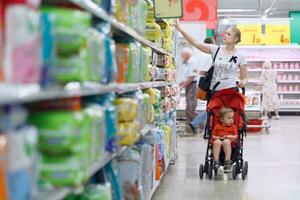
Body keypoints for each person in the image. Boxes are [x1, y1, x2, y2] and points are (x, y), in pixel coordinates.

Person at [188, 37, 215, 134]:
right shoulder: (211, 55)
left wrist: (201, 71)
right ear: (211, 44)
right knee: (212, 106)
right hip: (210, 82)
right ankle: (203, 128)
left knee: (209, 106)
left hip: (201, 83)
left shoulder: (199, 55)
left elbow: (195, 69)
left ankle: (204, 128)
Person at [211, 107, 238, 172]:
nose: (231, 120)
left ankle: (227, 161)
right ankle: (216, 161)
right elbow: (213, 136)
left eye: (232, 118)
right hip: (220, 141)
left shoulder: (233, 127)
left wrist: (229, 136)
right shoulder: (217, 126)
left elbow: (236, 136)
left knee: (226, 141)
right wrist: (218, 138)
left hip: (230, 143)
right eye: (229, 118)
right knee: (217, 142)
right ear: (221, 119)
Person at [177, 47, 198, 127]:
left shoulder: (192, 61)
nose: (182, 57)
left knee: (191, 106)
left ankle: (192, 124)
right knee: (190, 105)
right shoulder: (188, 62)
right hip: (189, 84)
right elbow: (187, 76)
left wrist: (181, 86)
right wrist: (180, 83)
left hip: (192, 85)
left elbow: (191, 77)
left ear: (187, 55)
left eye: (183, 55)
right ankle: (191, 124)